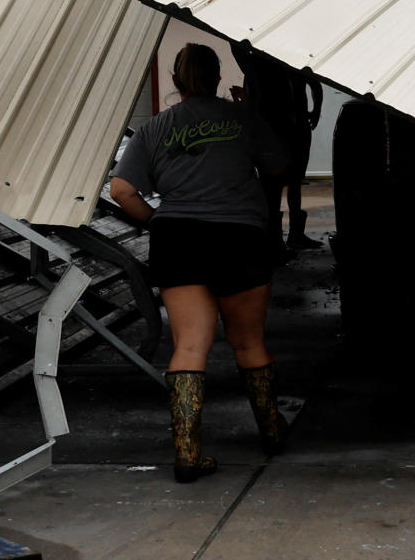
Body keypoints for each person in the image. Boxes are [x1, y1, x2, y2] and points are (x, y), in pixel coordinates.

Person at [106, 41, 291, 482]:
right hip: (240, 236)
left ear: (175, 81)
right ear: (215, 78)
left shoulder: (155, 127)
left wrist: (161, 222)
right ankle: (271, 431)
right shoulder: (243, 118)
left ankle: (188, 454)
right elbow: (279, 167)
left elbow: (121, 191)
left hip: (179, 239)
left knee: (189, 345)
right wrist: (252, 112)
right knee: (248, 343)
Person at [234, 41, 324, 251]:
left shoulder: (291, 60)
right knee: (274, 185)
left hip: (291, 128)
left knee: (289, 182)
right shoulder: (262, 63)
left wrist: (316, 110)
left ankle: (289, 236)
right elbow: (314, 84)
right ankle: (277, 240)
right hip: (277, 130)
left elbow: (315, 84)